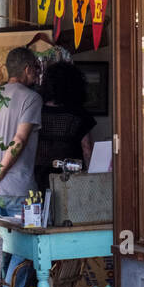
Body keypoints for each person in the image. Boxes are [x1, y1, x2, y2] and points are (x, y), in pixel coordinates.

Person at [0, 46, 43, 287]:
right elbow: (19, 140)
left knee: (3, 250)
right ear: (27, 69)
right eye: (36, 70)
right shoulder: (31, 98)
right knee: (27, 247)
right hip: (20, 188)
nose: (38, 76)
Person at [34, 62, 96, 195]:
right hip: (71, 178)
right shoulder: (79, 114)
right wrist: (92, 180)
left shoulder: (37, 110)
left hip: (39, 176)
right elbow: (87, 150)